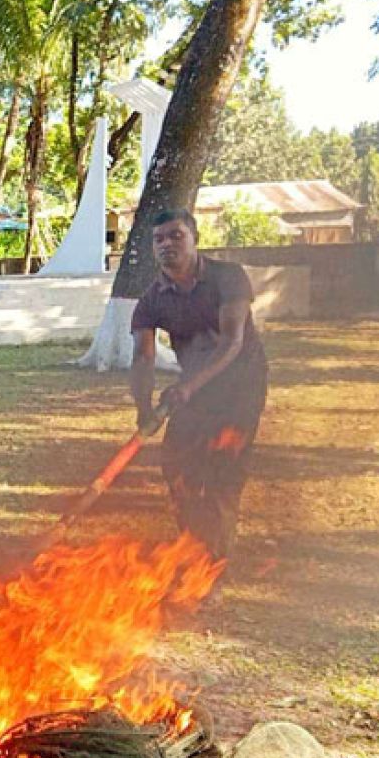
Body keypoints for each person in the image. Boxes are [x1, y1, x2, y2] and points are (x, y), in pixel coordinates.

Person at [129, 208, 268, 559]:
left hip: (240, 383)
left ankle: (214, 561)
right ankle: (194, 545)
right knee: (177, 465)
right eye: (159, 239)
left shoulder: (228, 277)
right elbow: (143, 358)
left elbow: (231, 343)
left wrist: (189, 388)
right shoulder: (151, 300)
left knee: (223, 468)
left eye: (176, 235)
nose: (166, 244)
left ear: (195, 239)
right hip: (193, 388)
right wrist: (144, 409)